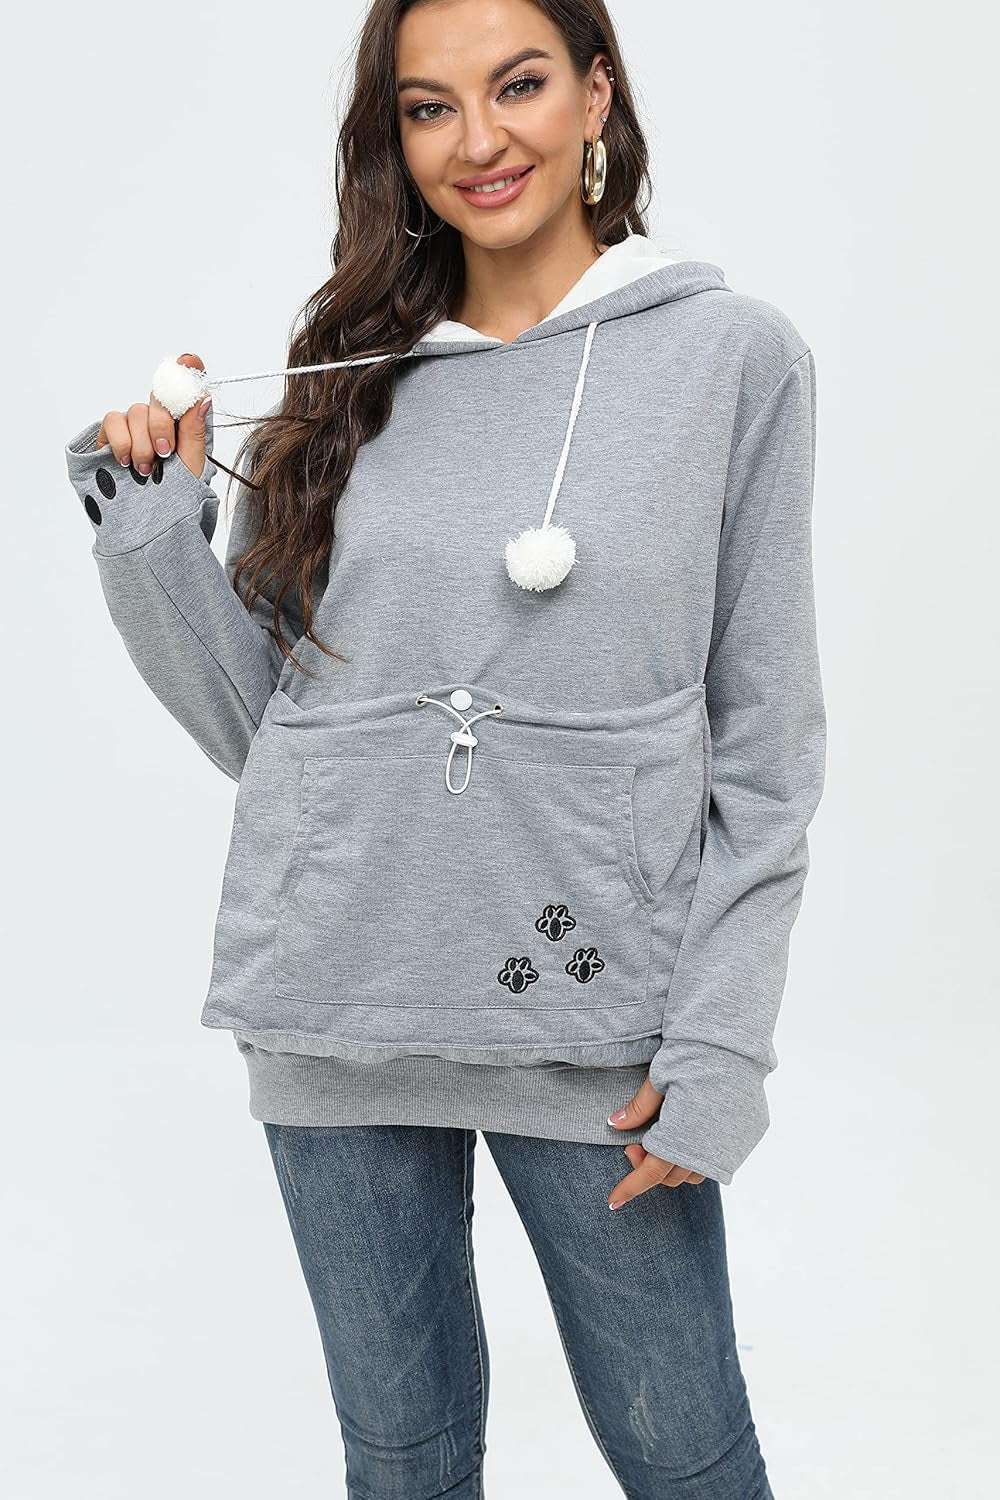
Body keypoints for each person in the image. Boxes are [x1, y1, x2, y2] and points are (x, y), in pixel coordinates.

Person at [62, 1, 825, 1494]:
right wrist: (147, 527)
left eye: (518, 84)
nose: (478, 140)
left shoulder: (734, 359)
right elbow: (272, 736)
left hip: (593, 1018)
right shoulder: (349, 378)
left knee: (687, 1457)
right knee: (401, 1460)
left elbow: (768, 751)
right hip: (335, 1001)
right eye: (428, 106)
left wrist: (724, 1043)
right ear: (394, 138)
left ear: (595, 93)